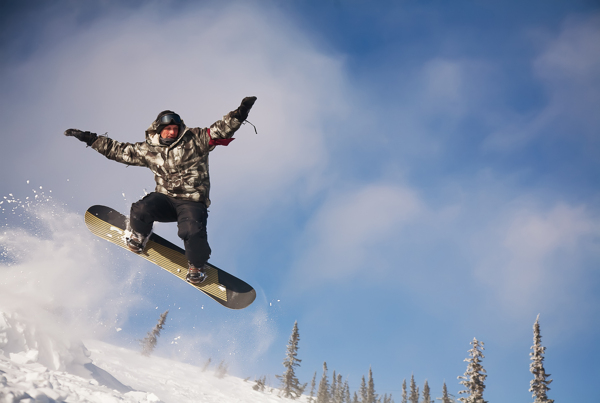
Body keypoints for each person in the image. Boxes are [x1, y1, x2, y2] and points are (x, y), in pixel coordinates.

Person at [65, 96, 257, 284]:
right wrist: (88, 138)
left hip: (192, 202)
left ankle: (197, 266)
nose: (172, 132)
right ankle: (139, 234)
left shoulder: (195, 139)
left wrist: (240, 114)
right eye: (168, 129)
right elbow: (118, 151)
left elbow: (220, 130)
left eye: (175, 128)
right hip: (165, 199)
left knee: (191, 230)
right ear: (159, 130)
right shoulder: (149, 150)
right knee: (141, 208)